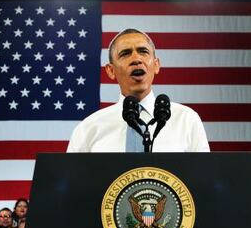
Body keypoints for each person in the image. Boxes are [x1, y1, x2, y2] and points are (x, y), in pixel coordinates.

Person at [67, 28, 210, 152]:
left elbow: (202, 179)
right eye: (125, 53)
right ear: (111, 70)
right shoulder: (88, 129)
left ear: (156, 65)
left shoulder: (186, 120)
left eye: (143, 51)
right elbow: (73, 181)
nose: (136, 59)